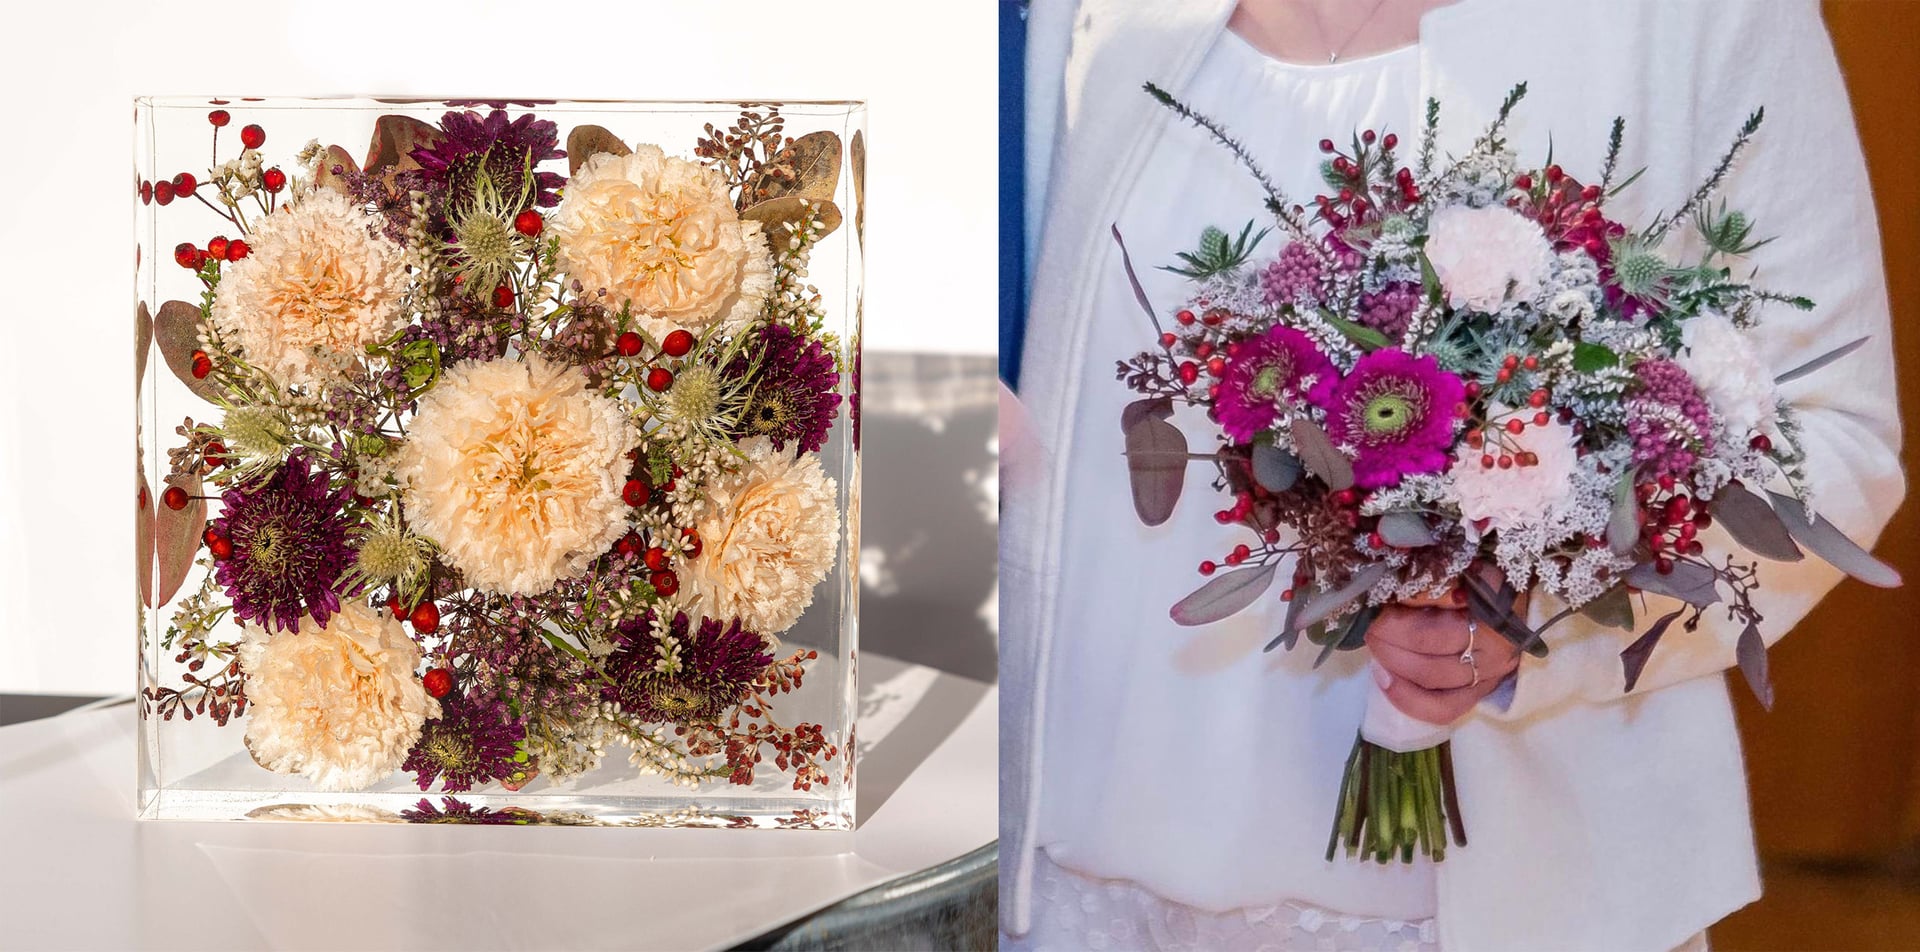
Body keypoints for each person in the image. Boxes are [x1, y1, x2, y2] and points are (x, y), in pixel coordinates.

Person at [1000, 0, 1906, 949]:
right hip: (1075, 880)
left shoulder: (1701, 18)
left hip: (1499, 896)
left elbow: (1833, 433)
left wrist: (1542, 618)